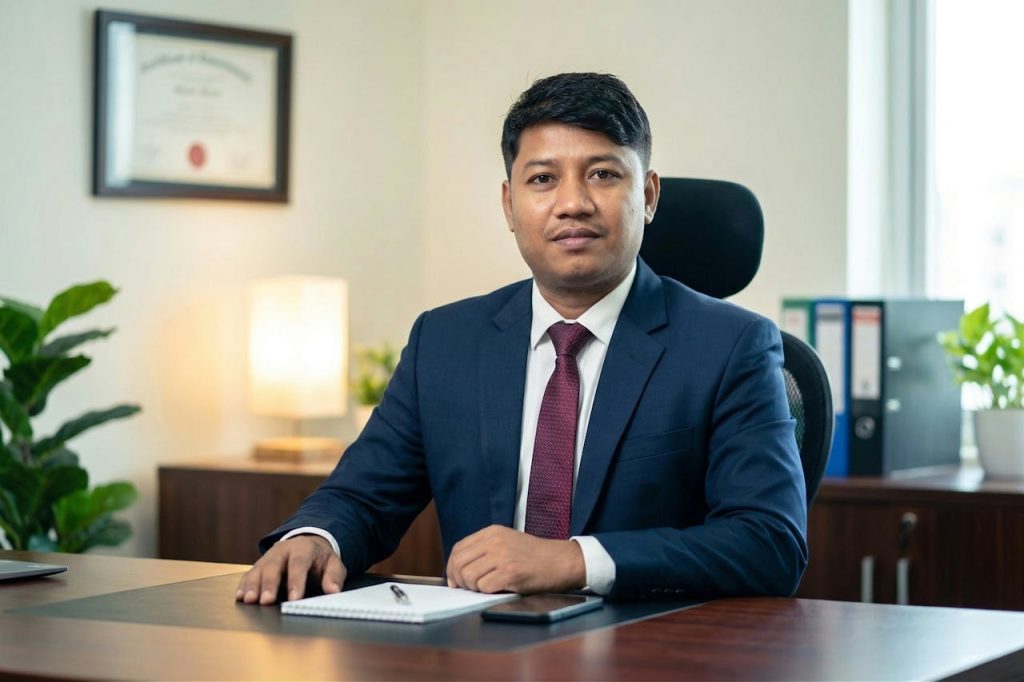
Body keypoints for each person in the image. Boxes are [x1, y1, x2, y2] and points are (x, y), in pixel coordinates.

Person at [236, 72, 807, 606]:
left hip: (650, 652)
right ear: (509, 204)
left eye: (604, 174)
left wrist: (574, 561)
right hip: (483, 649)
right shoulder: (446, 341)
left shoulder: (731, 346)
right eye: (542, 179)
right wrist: (317, 537)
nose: (573, 203)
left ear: (650, 195)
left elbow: (768, 541)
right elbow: (364, 495)